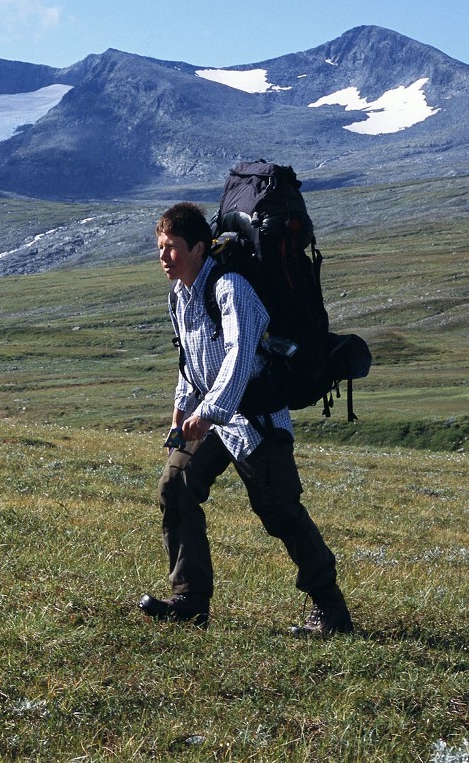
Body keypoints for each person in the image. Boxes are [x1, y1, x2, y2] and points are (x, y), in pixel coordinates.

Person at [138, 201, 353, 634]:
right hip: (208, 418)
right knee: (176, 484)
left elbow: (238, 356)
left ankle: (331, 610)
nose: (164, 257)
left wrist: (210, 411)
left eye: (173, 247)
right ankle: (189, 602)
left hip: (255, 421)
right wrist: (181, 414)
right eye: (160, 247)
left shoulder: (230, 288)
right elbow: (190, 362)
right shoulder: (179, 296)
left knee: (280, 513)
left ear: (200, 247)